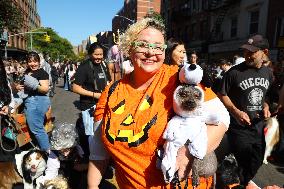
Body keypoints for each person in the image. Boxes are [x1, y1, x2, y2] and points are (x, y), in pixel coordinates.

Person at [87, 17, 229, 189]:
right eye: (143, 45)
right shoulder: (111, 92)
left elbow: (222, 118)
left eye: (157, 47)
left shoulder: (180, 78)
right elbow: (98, 153)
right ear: (130, 49)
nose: (150, 52)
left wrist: (187, 154)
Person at [218, 34, 273, 187]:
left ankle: (241, 180)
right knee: (243, 158)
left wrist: (266, 107)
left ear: (265, 52)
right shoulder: (234, 73)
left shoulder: (268, 73)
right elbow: (222, 94)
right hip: (239, 127)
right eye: (246, 51)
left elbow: (265, 97)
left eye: (252, 52)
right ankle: (238, 183)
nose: (247, 55)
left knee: (257, 159)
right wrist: (236, 111)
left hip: (258, 126)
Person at [72, 42, 111, 156]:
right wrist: (94, 95)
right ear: (90, 54)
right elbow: (75, 87)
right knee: (92, 135)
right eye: (96, 55)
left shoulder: (103, 65)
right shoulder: (84, 67)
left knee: (102, 132)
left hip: (103, 104)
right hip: (89, 106)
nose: (99, 57)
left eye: (101, 55)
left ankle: (102, 157)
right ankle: (91, 158)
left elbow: (107, 82)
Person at [13, 52, 51, 152]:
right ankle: (40, 147)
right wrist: (17, 87)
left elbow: (45, 89)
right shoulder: (27, 72)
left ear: (39, 62)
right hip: (28, 101)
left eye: (35, 61)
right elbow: (19, 84)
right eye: (30, 61)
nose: (33, 64)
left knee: (36, 128)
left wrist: (34, 85)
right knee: (31, 127)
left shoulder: (42, 73)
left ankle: (47, 152)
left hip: (38, 100)